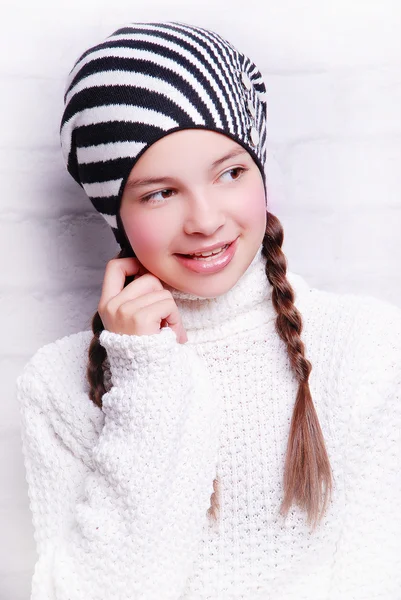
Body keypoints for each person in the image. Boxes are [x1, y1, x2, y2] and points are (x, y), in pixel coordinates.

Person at [16, 20, 401, 600]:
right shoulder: (56, 383)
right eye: (159, 192)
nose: (205, 219)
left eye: (230, 172)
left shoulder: (364, 343)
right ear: (113, 211)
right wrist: (147, 373)